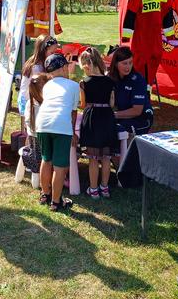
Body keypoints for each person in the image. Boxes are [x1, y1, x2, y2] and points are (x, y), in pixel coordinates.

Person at [36, 53, 80, 211]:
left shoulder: (47, 86)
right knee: (60, 166)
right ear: (63, 68)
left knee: (46, 159)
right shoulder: (74, 86)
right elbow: (73, 112)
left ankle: (45, 194)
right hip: (61, 125)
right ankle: (56, 202)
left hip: (42, 123)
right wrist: (73, 132)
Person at [78, 47, 118, 199]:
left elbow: (83, 104)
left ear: (86, 65)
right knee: (106, 157)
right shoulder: (110, 82)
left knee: (93, 158)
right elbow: (112, 102)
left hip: (92, 118)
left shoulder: (84, 83)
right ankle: (105, 187)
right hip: (107, 117)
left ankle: (93, 189)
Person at [108, 47, 154, 136]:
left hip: (141, 119)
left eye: (130, 63)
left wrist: (112, 115)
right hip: (121, 116)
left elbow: (137, 111)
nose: (128, 67)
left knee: (116, 130)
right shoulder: (110, 77)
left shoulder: (138, 80)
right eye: (124, 63)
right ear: (116, 64)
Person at [18, 35, 59, 116]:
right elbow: (42, 89)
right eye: (52, 53)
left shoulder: (36, 60)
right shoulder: (36, 68)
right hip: (29, 103)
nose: (54, 55)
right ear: (43, 50)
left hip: (30, 100)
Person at [24, 73, 50, 174]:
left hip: (33, 143)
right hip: (43, 145)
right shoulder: (45, 106)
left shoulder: (29, 103)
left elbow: (27, 124)